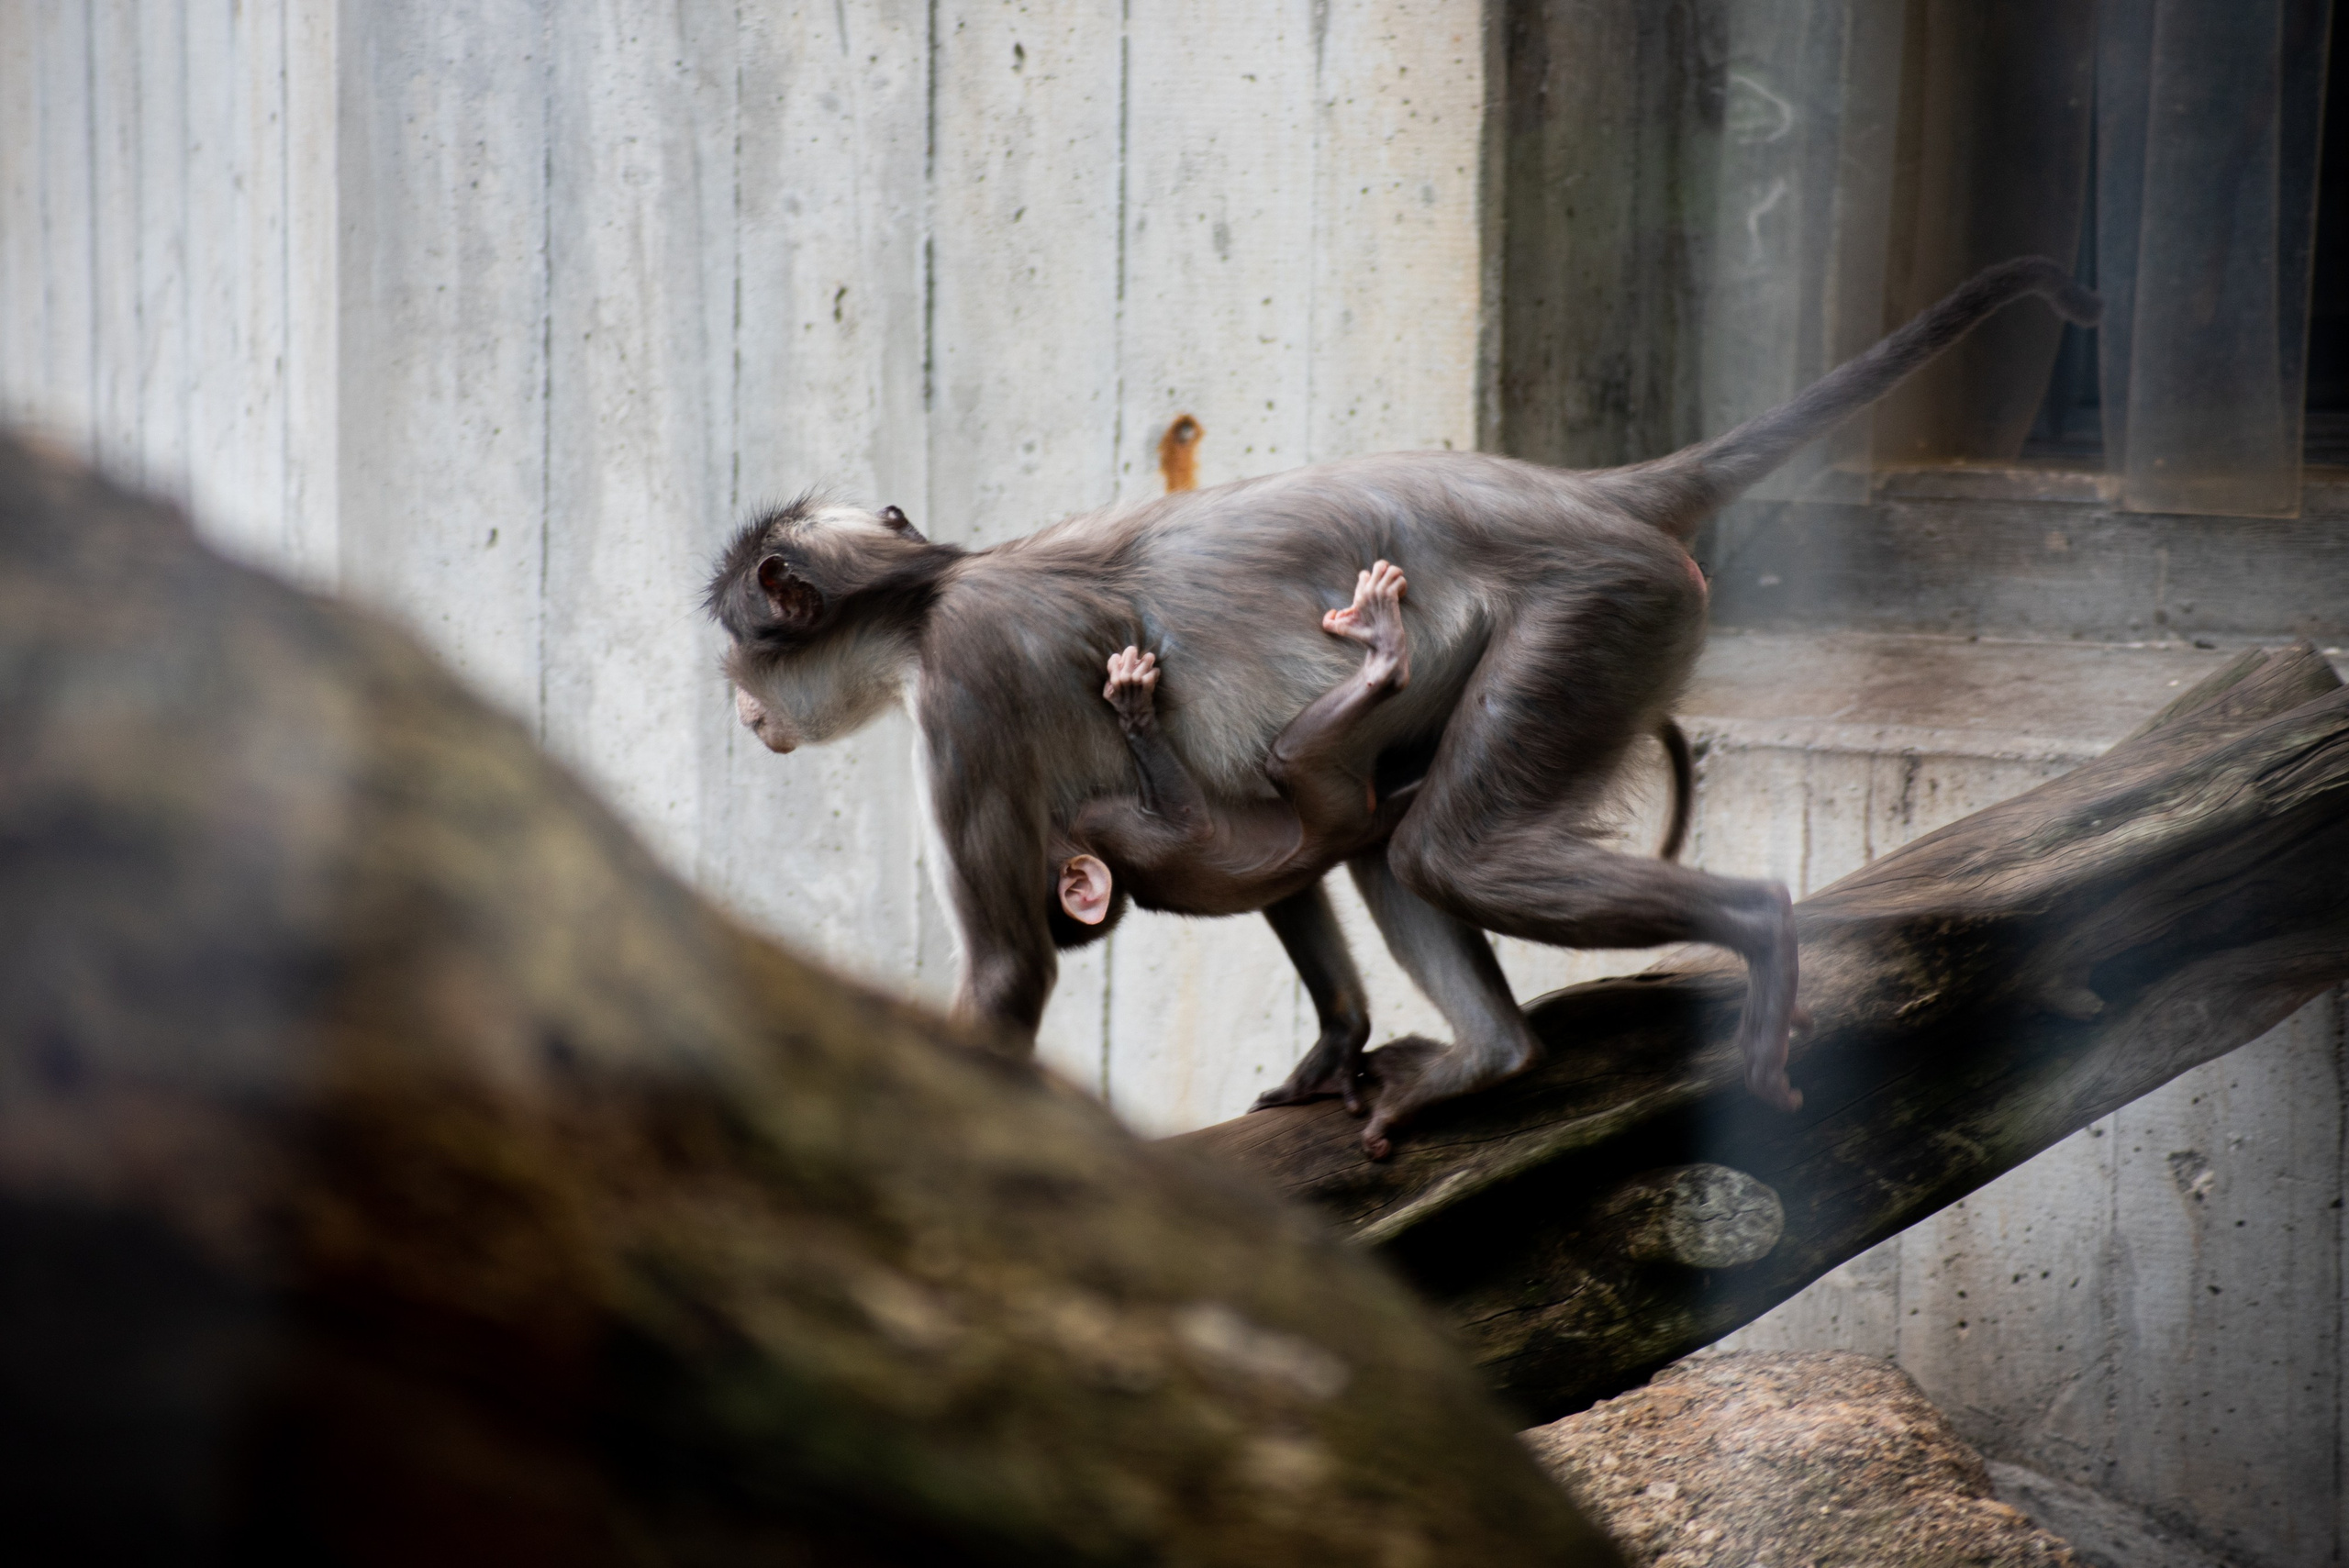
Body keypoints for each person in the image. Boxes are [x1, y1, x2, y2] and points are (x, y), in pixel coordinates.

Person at [1050, 560, 1416, 935]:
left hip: (1326, 821)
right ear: (1082, 886)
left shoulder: (1132, 864)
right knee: (1289, 758)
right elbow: (1186, 820)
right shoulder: (1129, 852)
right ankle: (1384, 664)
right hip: (1326, 815)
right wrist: (1135, 717)